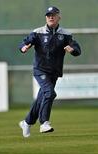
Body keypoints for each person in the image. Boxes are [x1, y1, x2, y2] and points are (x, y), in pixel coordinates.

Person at [18, 6, 81, 137]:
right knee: (50, 93)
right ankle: (44, 123)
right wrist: (23, 47)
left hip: (54, 72)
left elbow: (76, 49)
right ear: (46, 18)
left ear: (59, 17)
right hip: (40, 69)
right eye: (48, 15)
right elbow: (25, 42)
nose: (51, 17)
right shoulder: (38, 32)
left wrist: (73, 50)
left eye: (53, 14)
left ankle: (27, 122)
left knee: (42, 97)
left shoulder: (65, 34)